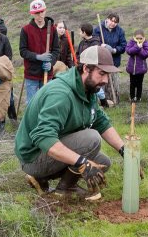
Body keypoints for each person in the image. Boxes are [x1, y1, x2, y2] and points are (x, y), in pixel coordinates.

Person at [15, 45, 126, 201]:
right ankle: (65, 189)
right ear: (86, 68)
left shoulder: (87, 88)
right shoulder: (61, 94)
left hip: (50, 150)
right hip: (33, 157)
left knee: (102, 163)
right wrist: (82, 162)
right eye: (102, 74)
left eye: (107, 75)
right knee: (91, 139)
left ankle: (42, 180)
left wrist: (125, 152)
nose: (106, 80)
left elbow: (100, 121)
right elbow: (43, 138)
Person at [19, 0, 59, 105]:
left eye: (42, 11)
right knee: (32, 103)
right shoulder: (26, 30)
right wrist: (37, 57)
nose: (40, 15)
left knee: (47, 102)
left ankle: (44, 121)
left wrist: (51, 63)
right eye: (37, 13)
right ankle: (32, 121)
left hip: (47, 72)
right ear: (32, 14)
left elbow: (56, 50)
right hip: (31, 73)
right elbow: (23, 51)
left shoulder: (53, 29)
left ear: (45, 11)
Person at [94, 13, 126, 105]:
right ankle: (101, 102)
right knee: (101, 82)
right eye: (111, 20)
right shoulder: (98, 29)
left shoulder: (120, 31)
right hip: (101, 61)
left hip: (113, 62)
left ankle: (114, 100)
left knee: (113, 83)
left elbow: (123, 46)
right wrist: (101, 45)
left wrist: (114, 50)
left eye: (115, 22)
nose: (113, 23)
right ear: (107, 19)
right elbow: (94, 42)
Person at [125, 29, 148, 102]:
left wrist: (140, 49)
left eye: (140, 38)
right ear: (134, 37)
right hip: (132, 69)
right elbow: (129, 51)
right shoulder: (131, 42)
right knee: (132, 84)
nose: (139, 40)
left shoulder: (146, 43)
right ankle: (132, 97)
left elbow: (145, 54)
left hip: (141, 69)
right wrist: (137, 47)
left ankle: (139, 97)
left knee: (139, 84)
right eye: (137, 38)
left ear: (143, 37)